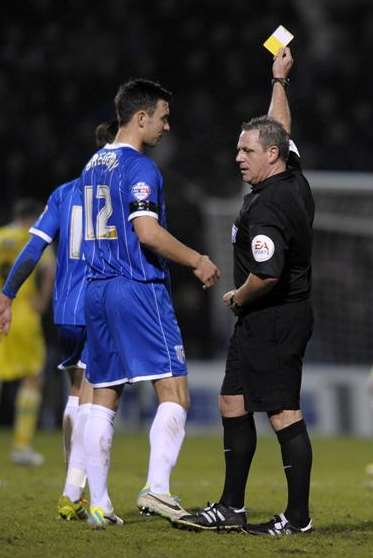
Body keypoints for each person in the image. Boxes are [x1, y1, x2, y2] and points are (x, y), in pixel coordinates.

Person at [174, 48, 315, 536]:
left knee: (283, 412)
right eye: (238, 149)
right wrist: (280, 81)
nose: (237, 158)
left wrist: (238, 296)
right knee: (232, 401)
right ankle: (232, 507)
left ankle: (298, 518)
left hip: (275, 315)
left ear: (269, 156)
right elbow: (281, 128)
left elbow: (268, 274)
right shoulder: (290, 172)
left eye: (246, 151)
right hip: (264, 320)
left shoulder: (269, 209)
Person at [80, 78, 220, 529]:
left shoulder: (90, 166)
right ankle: (157, 489)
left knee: (104, 394)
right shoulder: (141, 169)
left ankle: (99, 504)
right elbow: (148, 233)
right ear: (140, 118)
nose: (166, 125)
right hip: (136, 287)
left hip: (96, 288)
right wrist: (197, 259)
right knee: (174, 389)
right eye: (162, 117)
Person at [0, 122, 117, 519]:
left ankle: (73, 486)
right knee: (98, 400)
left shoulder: (64, 194)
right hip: (102, 304)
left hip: (65, 310)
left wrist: (7, 294)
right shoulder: (120, 192)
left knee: (75, 391)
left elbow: (35, 248)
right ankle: (83, 495)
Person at [0, 199, 55, 465]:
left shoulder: (3, 236)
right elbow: (49, 269)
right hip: (23, 314)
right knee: (33, 377)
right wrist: (43, 302)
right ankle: (21, 446)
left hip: (2, 309)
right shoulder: (33, 238)